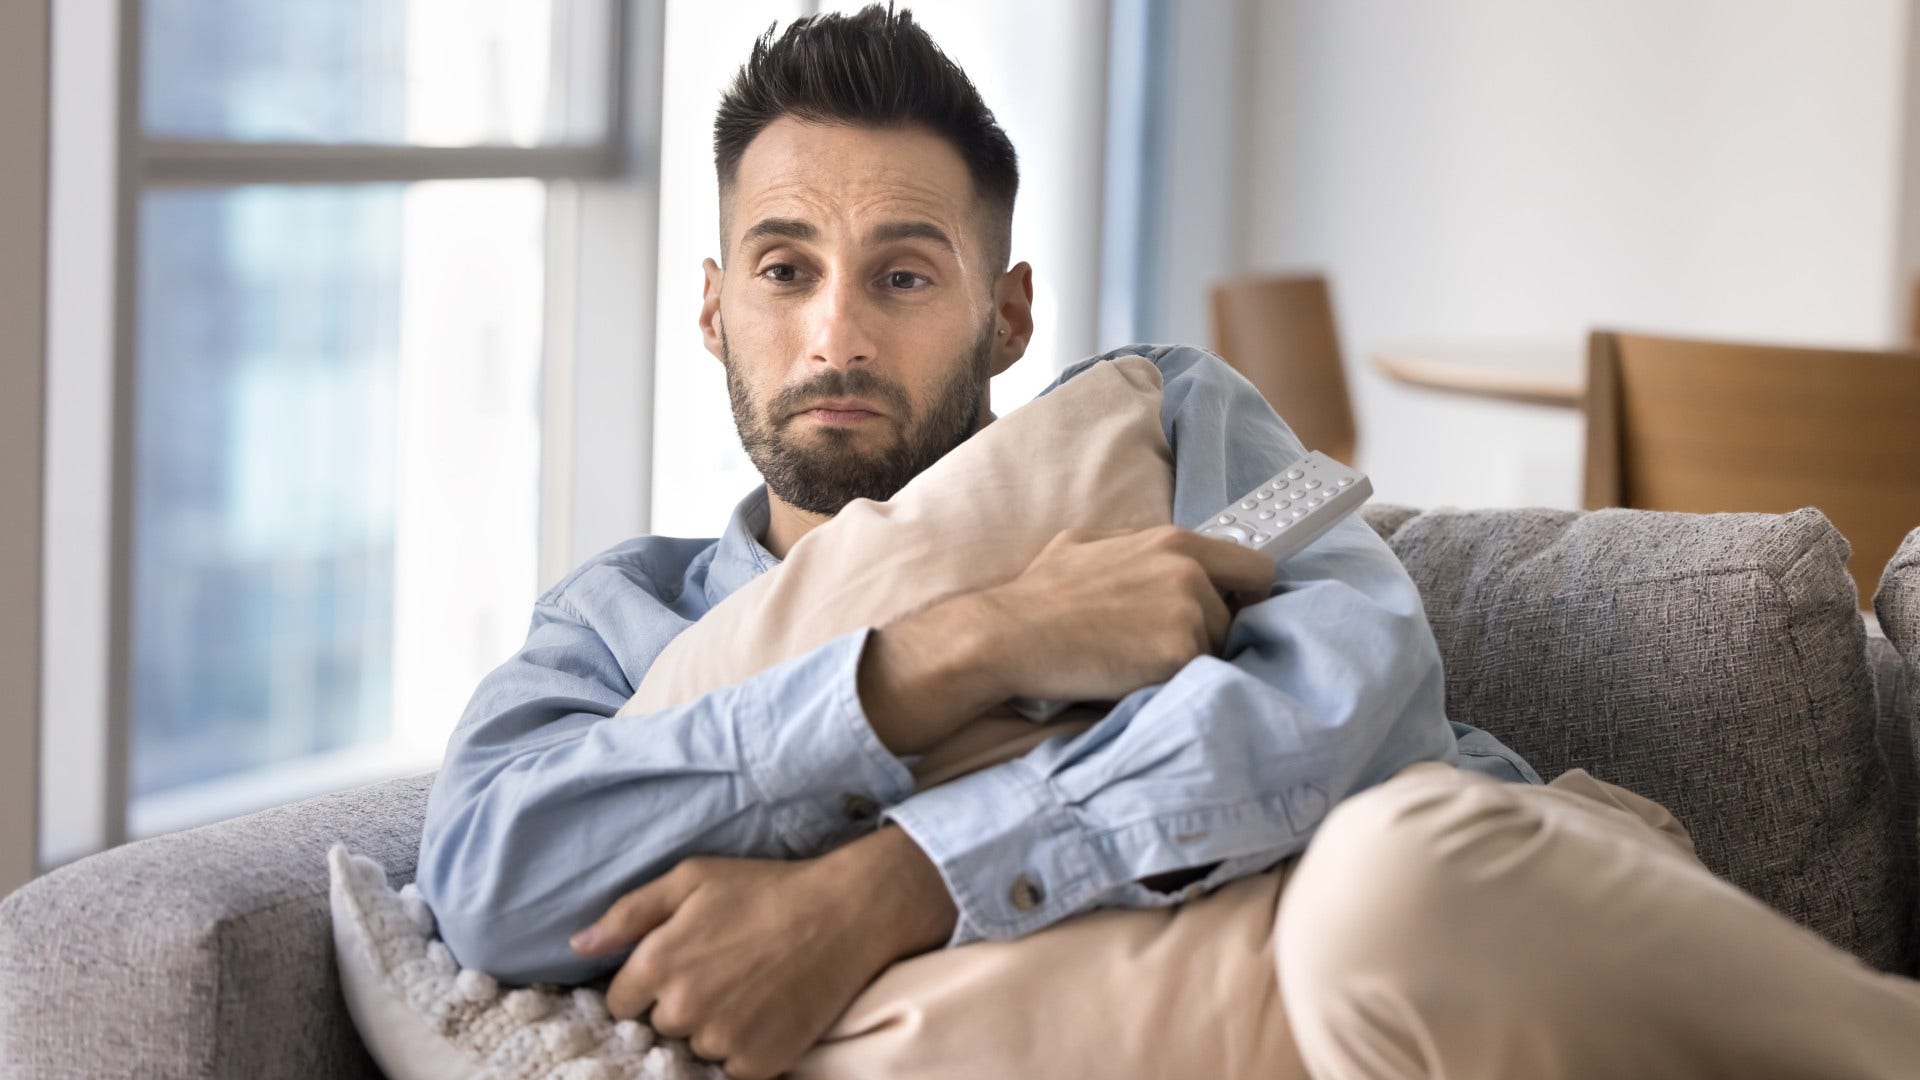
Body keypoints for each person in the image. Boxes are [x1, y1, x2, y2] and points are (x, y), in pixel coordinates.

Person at [416, 7, 1920, 1079]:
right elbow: (489, 873)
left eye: (905, 275)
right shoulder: (626, 622)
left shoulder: (1171, 421)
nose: (837, 334)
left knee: (1390, 890)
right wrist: (962, 651)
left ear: (1010, 312)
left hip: (1470, 948)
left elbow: (1348, 694)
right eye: (785, 269)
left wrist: (898, 883)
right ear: (713, 307)